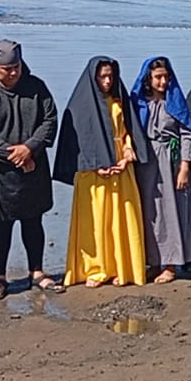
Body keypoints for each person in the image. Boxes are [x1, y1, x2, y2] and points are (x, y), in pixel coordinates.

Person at [0, 39, 61, 300]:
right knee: (0, 223)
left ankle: (37, 272)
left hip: (33, 163)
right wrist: (13, 153)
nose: (13, 73)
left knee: (34, 219)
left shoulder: (36, 87)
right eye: (7, 69)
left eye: (17, 67)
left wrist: (30, 148)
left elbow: (50, 120)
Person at [54, 56, 149, 288]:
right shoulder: (79, 106)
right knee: (95, 221)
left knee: (120, 218)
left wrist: (128, 154)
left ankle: (120, 267)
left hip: (119, 167)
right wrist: (97, 163)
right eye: (102, 76)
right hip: (92, 172)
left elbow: (129, 131)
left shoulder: (119, 101)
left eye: (111, 76)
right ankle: (95, 269)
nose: (107, 81)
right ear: (93, 77)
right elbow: (77, 141)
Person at [131, 55, 191, 284]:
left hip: (170, 160)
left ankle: (170, 264)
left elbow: (188, 134)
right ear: (148, 78)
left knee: (171, 212)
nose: (162, 82)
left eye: (166, 77)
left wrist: (185, 167)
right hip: (145, 162)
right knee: (149, 213)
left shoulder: (175, 103)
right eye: (158, 77)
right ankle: (153, 261)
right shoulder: (140, 102)